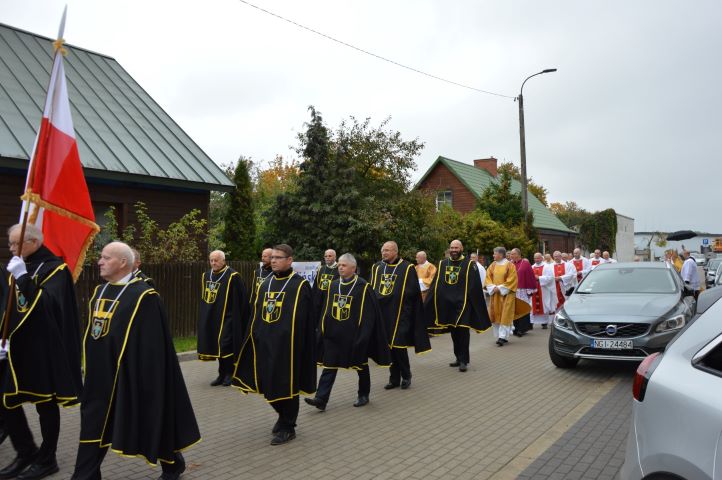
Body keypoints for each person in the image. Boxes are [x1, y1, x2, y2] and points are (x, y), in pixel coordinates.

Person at [71, 242, 200, 480]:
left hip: (131, 376)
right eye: (101, 257)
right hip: (99, 377)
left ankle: (172, 463)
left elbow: (153, 347)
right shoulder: (100, 291)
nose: (99, 261)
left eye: (106, 258)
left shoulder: (144, 296)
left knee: (149, 419)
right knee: (92, 425)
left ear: (123, 262)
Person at [0, 223, 82, 480]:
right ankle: (26, 451)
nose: (11, 248)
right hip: (16, 346)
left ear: (33, 242)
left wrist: (23, 278)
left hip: (43, 349)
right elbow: (8, 307)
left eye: (15, 243)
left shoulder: (56, 269)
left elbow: (48, 306)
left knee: (45, 405)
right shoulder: (17, 266)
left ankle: (47, 459)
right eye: (10, 243)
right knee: (6, 399)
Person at [232, 244, 316, 445]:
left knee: (286, 385)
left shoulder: (300, 286)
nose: (274, 260)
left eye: (278, 257)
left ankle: (288, 426)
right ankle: (282, 416)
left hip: (288, 347)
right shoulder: (266, 283)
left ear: (289, 260)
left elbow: (305, 321)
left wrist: (301, 347)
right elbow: (256, 314)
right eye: (272, 257)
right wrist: (252, 337)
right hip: (265, 345)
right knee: (268, 384)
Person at [305, 253, 390, 411]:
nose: (340, 268)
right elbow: (326, 310)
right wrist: (322, 329)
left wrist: (363, 336)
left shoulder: (363, 287)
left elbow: (369, 315)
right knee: (329, 366)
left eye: (343, 265)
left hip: (354, 335)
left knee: (360, 366)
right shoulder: (333, 285)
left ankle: (363, 395)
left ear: (353, 268)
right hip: (333, 335)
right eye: (339, 265)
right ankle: (321, 398)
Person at [370, 241, 430, 390]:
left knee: (399, 346)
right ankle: (394, 379)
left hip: (400, 314)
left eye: (387, 250)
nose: (384, 253)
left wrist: (407, 313)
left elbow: (412, 293)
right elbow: (372, 290)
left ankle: (406, 375)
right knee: (389, 347)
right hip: (383, 315)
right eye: (383, 250)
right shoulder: (377, 267)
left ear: (395, 252)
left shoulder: (407, 267)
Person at [426, 240, 490, 368]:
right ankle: (458, 357)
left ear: (461, 248)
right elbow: (436, 285)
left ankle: (464, 361)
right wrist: (429, 302)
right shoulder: (443, 263)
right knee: (454, 333)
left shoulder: (469, 264)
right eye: (452, 247)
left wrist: (475, 306)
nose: (454, 250)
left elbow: (475, 287)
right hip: (448, 305)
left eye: (456, 247)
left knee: (463, 332)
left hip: (463, 305)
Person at [197, 250, 247, 387]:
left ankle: (230, 373)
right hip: (212, 318)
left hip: (228, 318)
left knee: (225, 345)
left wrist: (237, 319)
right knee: (217, 346)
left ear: (223, 261)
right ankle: (221, 374)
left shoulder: (233, 276)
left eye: (216, 260)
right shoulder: (206, 276)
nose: (213, 263)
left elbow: (241, 300)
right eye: (211, 260)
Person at [485, 247, 519, 346]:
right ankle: (499, 335)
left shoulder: (510, 265)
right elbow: (488, 277)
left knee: (505, 316)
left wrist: (499, 288)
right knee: (496, 315)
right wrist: (492, 287)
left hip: (507, 295)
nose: (493, 255)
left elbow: (512, 279)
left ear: (500, 255)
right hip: (495, 295)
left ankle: (502, 337)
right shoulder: (493, 265)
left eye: (494, 254)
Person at [531, 252, 564, 328]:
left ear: (541, 258)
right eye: (535, 258)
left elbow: (550, 278)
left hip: (544, 289)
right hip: (534, 289)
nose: (536, 260)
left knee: (545, 304)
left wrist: (539, 278)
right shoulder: (532, 267)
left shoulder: (547, 267)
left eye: (538, 258)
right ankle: (532, 322)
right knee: (533, 305)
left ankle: (544, 322)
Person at [510, 248, 534, 337]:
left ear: (518, 254)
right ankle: (516, 328)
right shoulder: (510, 264)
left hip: (522, 290)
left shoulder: (525, 263)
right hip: (513, 290)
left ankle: (522, 329)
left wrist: (529, 290)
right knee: (515, 309)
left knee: (523, 309)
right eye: (511, 254)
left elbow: (530, 276)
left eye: (513, 254)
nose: (511, 256)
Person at [312, 249, 339, 317]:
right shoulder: (321, 269)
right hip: (320, 300)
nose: (327, 258)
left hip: (331, 299)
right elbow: (316, 285)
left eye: (330, 256)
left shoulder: (339, 269)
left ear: (335, 257)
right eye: (326, 256)